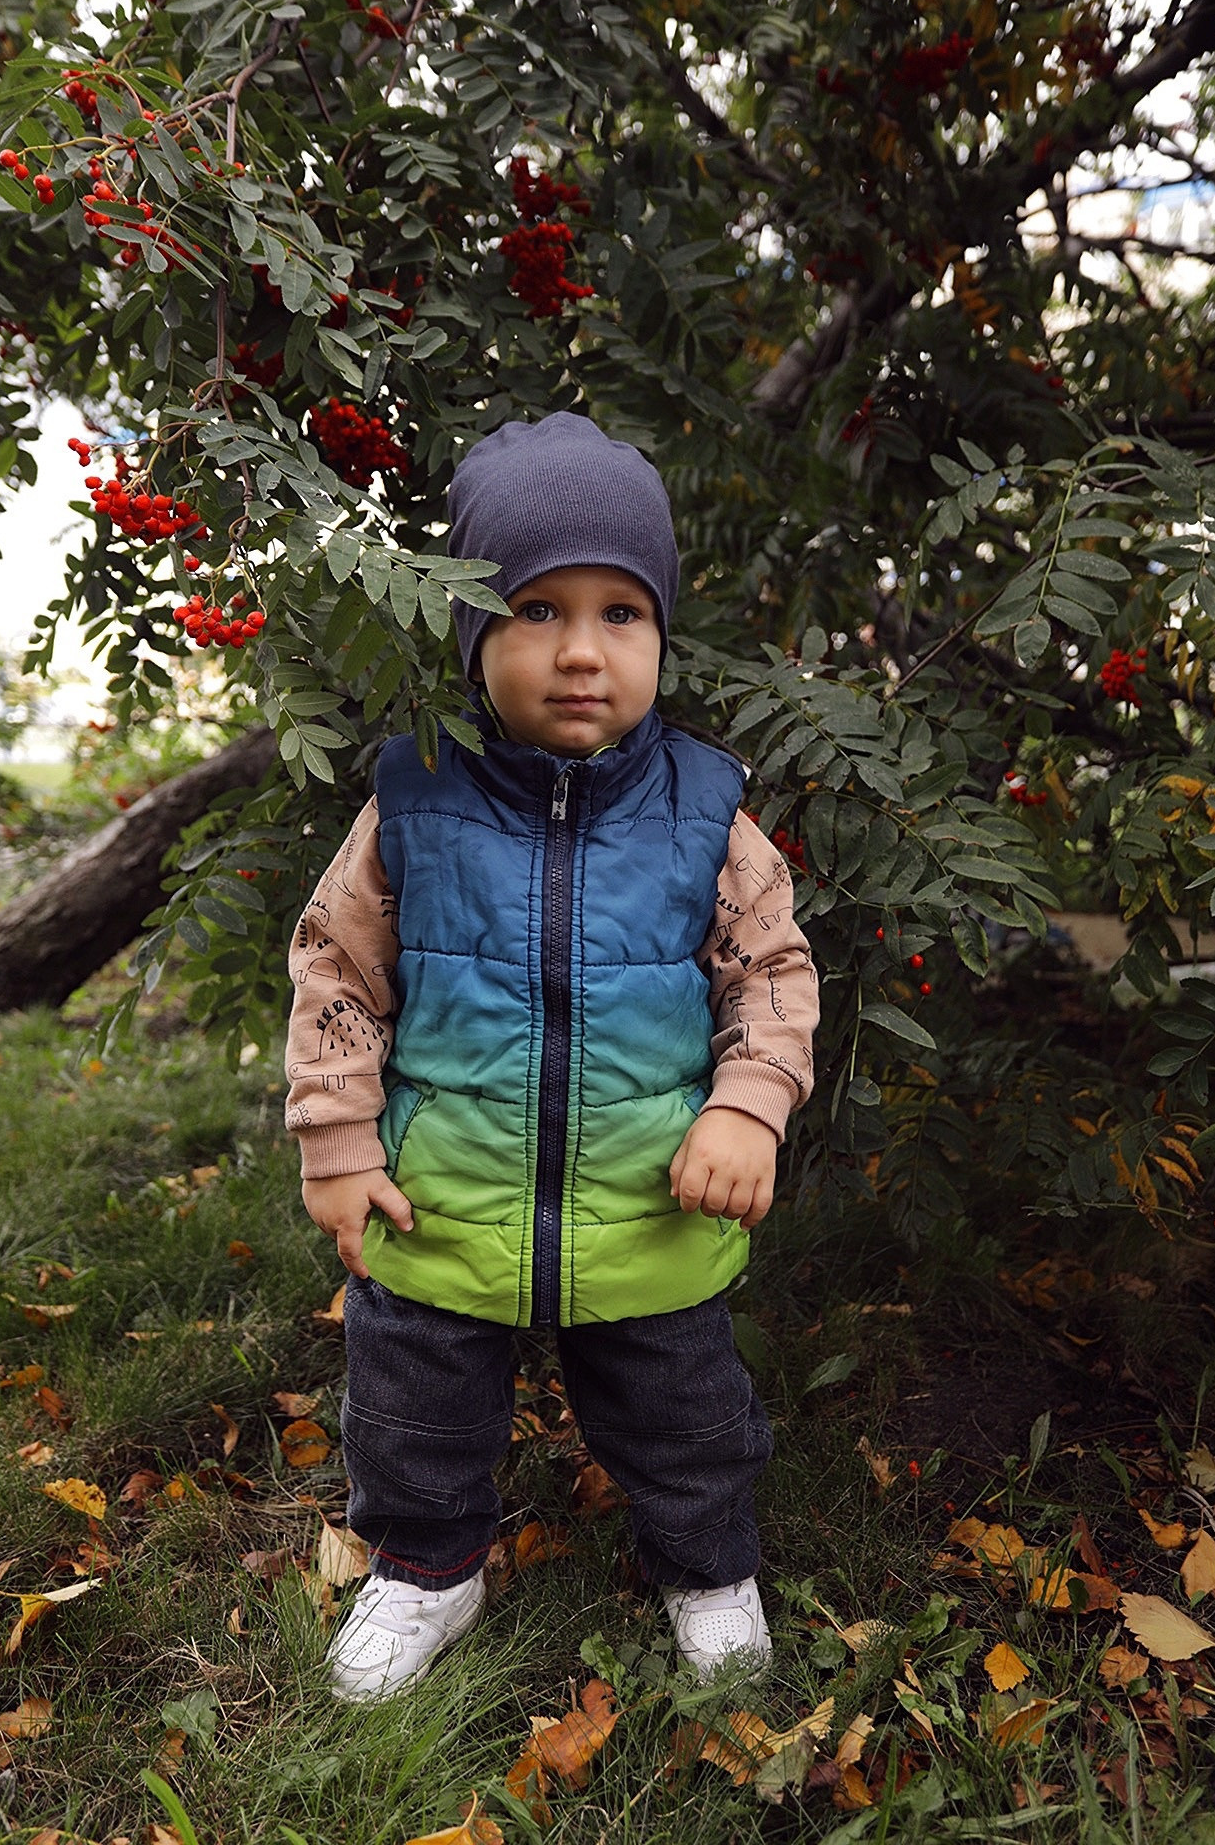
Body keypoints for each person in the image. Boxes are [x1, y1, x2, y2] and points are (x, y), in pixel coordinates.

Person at [285, 412, 819, 1702]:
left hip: (651, 1207)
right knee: (413, 1415)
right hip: (446, 1201)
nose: (581, 650)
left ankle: (705, 1568)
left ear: (659, 633)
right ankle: (424, 1570)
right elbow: (336, 972)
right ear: (475, 632)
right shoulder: (412, 800)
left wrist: (749, 1107)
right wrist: (340, 1143)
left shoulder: (708, 815)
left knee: (688, 1419)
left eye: (620, 613)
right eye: (535, 609)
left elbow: (772, 977)